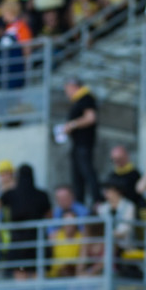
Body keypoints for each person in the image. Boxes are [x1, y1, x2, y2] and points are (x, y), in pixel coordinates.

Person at [62, 77, 99, 206]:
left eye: (67, 89)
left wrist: (72, 125)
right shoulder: (79, 100)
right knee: (78, 177)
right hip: (78, 144)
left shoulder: (86, 98)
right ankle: (79, 203)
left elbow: (90, 118)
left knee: (87, 172)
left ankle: (97, 200)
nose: (67, 93)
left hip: (84, 144)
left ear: (74, 86)